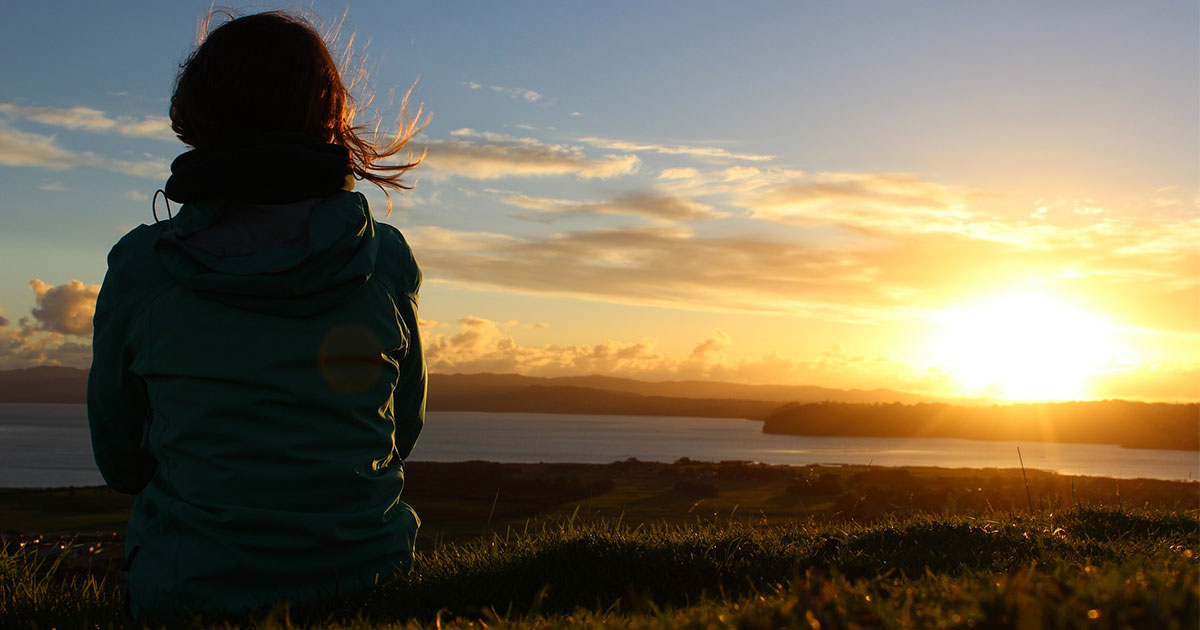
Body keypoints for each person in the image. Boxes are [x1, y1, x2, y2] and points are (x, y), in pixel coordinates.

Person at [87, 10, 426, 622]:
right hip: (375, 589)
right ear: (329, 115)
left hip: (190, 597)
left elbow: (120, 459)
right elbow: (401, 431)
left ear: (197, 114)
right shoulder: (384, 259)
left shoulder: (144, 267)